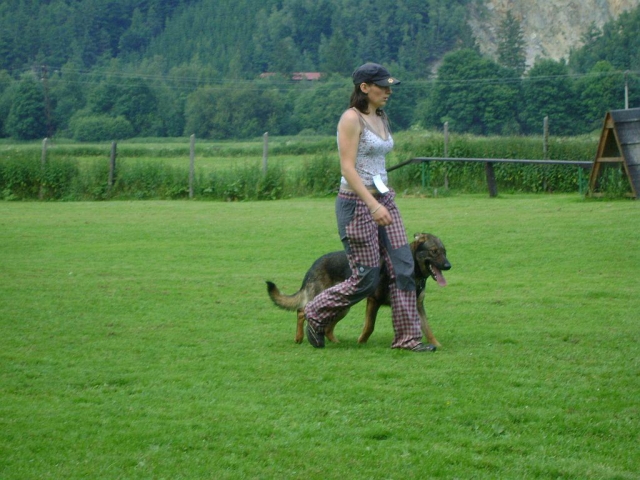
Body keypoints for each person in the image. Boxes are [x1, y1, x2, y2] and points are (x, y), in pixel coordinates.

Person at [304, 62, 435, 352]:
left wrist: (381, 199)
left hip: (384, 199)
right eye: (382, 86)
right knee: (366, 278)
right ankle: (315, 312)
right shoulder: (351, 119)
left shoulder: (381, 116)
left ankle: (407, 339)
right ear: (364, 87)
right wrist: (373, 205)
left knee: (404, 267)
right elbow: (348, 168)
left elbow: (375, 161)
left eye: (390, 86)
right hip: (357, 204)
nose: (389, 91)